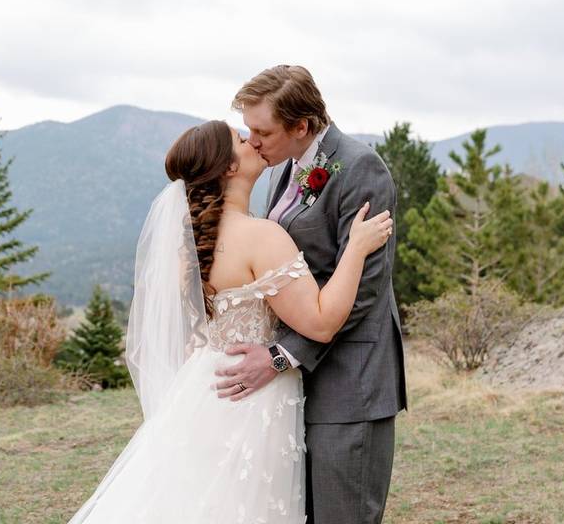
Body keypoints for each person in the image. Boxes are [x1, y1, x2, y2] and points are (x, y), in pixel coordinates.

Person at [68, 120, 393, 523]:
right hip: (252, 402)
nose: (252, 140)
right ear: (228, 168)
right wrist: (356, 249)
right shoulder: (261, 236)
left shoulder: (192, 245)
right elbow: (323, 322)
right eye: (241, 139)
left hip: (206, 390)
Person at [218, 64, 408, 524]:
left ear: (301, 126)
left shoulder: (360, 168)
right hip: (297, 390)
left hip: (349, 386)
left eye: (262, 131)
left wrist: (281, 355)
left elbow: (364, 290)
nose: (253, 142)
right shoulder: (286, 170)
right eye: (248, 130)